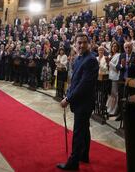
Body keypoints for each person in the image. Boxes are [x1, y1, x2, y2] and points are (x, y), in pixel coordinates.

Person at [57, 33, 98, 170]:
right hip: (80, 101)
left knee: (78, 132)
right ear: (75, 44)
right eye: (79, 43)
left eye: (84, 42)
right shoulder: (78, 58)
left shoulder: (91, 60)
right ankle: (84, 155)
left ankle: (73, 162)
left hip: (84, 102)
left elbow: (84, 85)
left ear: (89, 44)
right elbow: (74, 81)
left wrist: (68, 99)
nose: (81, 45)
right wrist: (68, 93)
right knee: (84, 129)